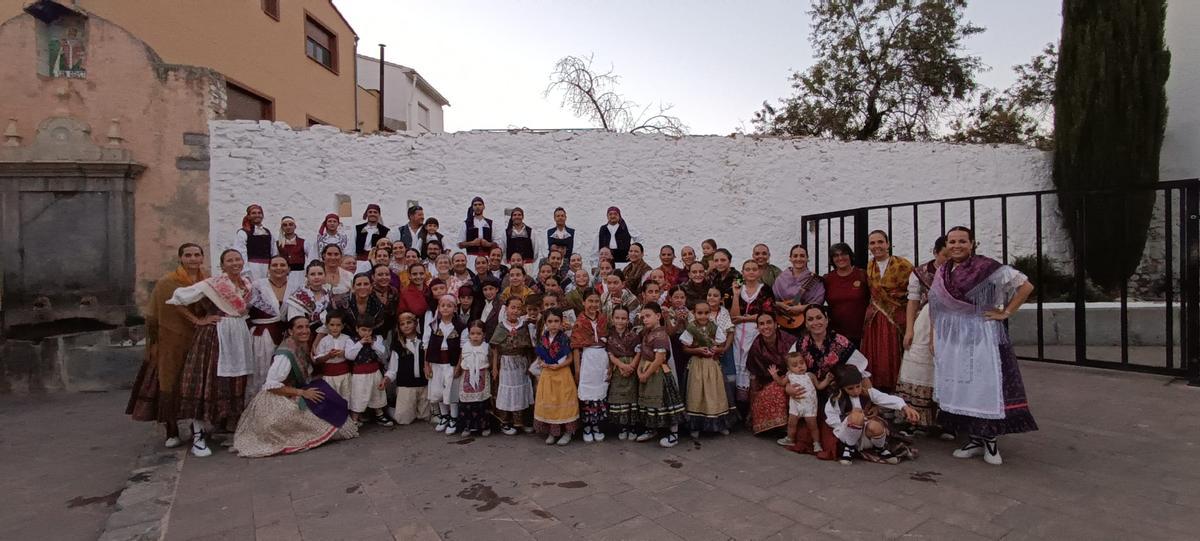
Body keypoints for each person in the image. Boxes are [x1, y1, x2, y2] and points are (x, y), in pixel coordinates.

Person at [933, 226, 1037, 465]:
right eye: (952, 242)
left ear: (972, 244)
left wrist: (1006, 312)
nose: (956, 246)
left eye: (962, 241)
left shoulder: (986, 267)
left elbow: (1026, 286)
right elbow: (938, 306)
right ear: (946, 245)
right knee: (964, 385)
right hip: (954, 337)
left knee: (983, 385)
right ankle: (974, 439)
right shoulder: (944, 270)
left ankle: (990, 441)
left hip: (980, 333)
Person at [168, 249, 255, 457]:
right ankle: (198, 436)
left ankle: (227, 429)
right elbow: (178, 299)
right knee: (208, 383)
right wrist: (199, 320)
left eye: (237, 259)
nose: (235, 263)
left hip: (238, 335)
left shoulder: (246, 284)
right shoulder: (213, 284)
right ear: (222, 265)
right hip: (216, 336)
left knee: (234, 382)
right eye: (229, 260)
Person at [231, 315, 358, 457]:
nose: (305, 331)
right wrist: (302, 393)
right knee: (322, 416)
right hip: (278, 398)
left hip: (294, 390)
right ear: (290, 331)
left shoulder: (300, 344)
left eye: (307, 327)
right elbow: (272, 386)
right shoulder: (285, 354)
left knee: (327, 398)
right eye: (299, 327)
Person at [126, 243, 207, 448]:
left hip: (199, 339)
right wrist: (153, 344)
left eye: (196, 255)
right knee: (169, 383)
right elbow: (153, 315)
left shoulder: (207, 281)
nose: (193, 259)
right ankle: (171, 429)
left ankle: (197, 428)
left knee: (196, 384)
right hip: (171, 340)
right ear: (180, 258)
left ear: (202, 258)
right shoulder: (167, 283)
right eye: (188, 255)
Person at [793, 304, 873, 460]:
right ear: (806, 323)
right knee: (804, 436)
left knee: (832, 442)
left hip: (836, 398)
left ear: (827, 320)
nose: (815, 322)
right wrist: (790, 388)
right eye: (810, 319)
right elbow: (791, 370)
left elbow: (862, 371)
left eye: (819, 318)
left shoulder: (841, 342)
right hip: (812, 397)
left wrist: (872, 402)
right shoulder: (800, 344)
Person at [897, 236, 951, 437]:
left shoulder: (960, 272)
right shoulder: (921, 273)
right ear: (935, 252)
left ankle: (946, 421)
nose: (948, 259)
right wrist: (909, 329)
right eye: (945, 255)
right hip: (925, 323)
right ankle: (916, 420)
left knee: (947, 369)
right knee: (918, 368)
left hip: (951, 324)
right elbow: (912, 301)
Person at [826, 365, 919, 465]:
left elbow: (884, 398)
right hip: (847, 433)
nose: (856, 391)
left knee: (876, 426)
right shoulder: (836, 399)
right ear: (842, 388)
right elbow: (831, 418)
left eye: (858, 386)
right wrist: (849, 417)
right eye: (850, 388)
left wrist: (904, 407)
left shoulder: (867, 393)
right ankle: (849, 448)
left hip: (865, 434)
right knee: (857, 416)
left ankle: (880, 448)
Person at [861, 230, 914, 392]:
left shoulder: (903, 265)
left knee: (893, 354)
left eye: (880, 242)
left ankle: (896, 391)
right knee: (876, 355)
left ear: (888, 244)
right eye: (872, 243)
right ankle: (876, 392)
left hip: (896, 317)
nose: (876, 246)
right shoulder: (869, 266)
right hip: (874, 319)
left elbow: (914, 292)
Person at [679, 300, 737, 439]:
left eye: (706, 313)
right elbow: (685, 348)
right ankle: (695, 425)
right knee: (696, 393)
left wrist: (717, 349)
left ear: (710, 313)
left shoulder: (714, 327)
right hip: (697, 365)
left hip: (712, 364)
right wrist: (697, 350)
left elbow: (721, 345)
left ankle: (720, 424)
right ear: (694, 313)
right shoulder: (691, 328)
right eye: (700, 313)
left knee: (715, 392)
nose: (703, 316)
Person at [633, 303, 686, 447]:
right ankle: (652, 429)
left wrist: (645, 374)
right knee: (650, 402)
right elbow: (643, 354)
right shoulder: (647, 333)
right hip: (647, 371)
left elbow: (659, 359)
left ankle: (674, 434)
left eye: (648, 316)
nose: (645, 319)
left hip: (660, 374)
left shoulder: (661, 335)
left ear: (658, 316)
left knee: (667, 403)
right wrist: (639, 371)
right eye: (643, 317)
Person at [245, 256, 290, 405]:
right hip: (262, 336)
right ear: (269, 268)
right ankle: (258, 406)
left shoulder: (294, 287)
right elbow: (243, 308)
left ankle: (279, 408)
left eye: (282, 265)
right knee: (262, 371)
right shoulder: (257, 286)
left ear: (288, 268)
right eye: (275, 265)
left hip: (284, 335)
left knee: (281, 373)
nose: (279, 268)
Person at [731, 260, 775, 405]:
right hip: (738, 335)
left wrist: (745, 318)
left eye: (754, 269)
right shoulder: (738, 289)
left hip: (757, 332)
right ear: (742, 272)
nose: (751, 272)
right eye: (747, 269)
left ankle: (754, 408)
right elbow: (734, 317)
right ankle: (740, 407)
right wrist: (736, 295)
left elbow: (768, 314)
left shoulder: (765, 289)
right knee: (738, 367)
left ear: (759, 272)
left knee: (753, 368)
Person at [490, 297, 535, 435]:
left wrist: (529, 364)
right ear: (506, 309)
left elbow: (529, 347)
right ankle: (505, 422)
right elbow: (495, 348)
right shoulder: (501, 327)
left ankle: (519, 422)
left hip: (521, 363)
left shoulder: (524, 326)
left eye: (518, 308)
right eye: (512, 307)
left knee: (521, 391)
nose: (515, 311)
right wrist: (495, 367)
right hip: (506, 363)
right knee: (507, 391)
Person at [533, 308, 579, 445]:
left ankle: (568, 433)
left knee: (563, 401)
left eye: (556, 321)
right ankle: (553, 432)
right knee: (550, 402)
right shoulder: (542, 339)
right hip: (547, 374)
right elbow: (540, 357)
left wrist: (559, 365)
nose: (553, 324)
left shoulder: (564, 339)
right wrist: (542, 363)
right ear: (545, 323)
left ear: (561, 322)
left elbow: (570, 358)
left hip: (563, 374)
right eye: (550, 321)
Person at [770, 352, 832, 450]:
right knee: (791, 424)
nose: (800, 366)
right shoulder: (789, 376)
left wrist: (827, 380)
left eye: (802, 363)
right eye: (795, 365)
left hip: (809, 406)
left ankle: (816, 443)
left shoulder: (810, 375)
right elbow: (781, 382)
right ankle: (790, 439)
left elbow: (819, 386)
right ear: (789, 369)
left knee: (813, 426)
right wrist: (774, 375)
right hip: (795, 405)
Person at [745, 312, 794, 435]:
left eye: (769, 322)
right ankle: (775, 426)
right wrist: (752, 405)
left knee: (779, 390)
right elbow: (754, 375)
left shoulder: (788, 340)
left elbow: (798, 362)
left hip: (792, 377)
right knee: (765, 396)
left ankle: (789, 426)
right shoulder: (756, 346)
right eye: (761, 324)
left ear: (776, 324)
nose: (765, 326)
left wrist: (787, 379)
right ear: (757, 327)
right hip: (768, 383)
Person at [424, 294, 466, 435]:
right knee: (438, 391)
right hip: (436, 362)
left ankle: (454, 418)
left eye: (449, 305)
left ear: (455, 308)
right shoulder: (433, 325)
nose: (446, 308)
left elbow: (463, 348)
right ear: (439, 308)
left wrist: (459, 366)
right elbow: (426, 345)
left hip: (451, 363)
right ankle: (444, 416)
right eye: (443, 305)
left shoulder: (460, 327)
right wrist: (426, 364)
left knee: (451, 391)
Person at [571, 289, 609, 443]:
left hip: (602, 359)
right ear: (583, 303)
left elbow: (608, 342)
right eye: (590, 301)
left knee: (600, 395)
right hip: (587, 360)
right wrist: (577, 369)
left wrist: (610, 366)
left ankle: (597, 426)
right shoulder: (579, 322)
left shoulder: (604, 320)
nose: (593, 304)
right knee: (587, 395)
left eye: (596, 301)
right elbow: (575, 347)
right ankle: (587, 426)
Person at [344, 315, 393, 427]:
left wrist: (373, 344)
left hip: (375, 372)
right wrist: (360, 343)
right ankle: (354, 418)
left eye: (369, 330)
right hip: (359, 374)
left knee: (377, 394)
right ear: (357, 329)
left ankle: (379, 415)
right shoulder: (351, 340)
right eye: (363, 330)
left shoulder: (377, 339)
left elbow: (384, 354)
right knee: (359, 396)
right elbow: (349, 356)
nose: (367, 333)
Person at [384, 312, 429, 425]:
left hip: (424, 385)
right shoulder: (398, 345)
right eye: (402, 324)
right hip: (406, 386)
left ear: (415, 323)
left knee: (426, 416)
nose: (406, 326)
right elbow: (393, 368)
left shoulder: (424, 341)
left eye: (409, 322)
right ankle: (390, 409)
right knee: (403, 419)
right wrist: (387, 379)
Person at [772, 245, 827, 337]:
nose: (798, 259)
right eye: (795, 256)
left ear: (807, 259)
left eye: (802, 256)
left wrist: (802, 308)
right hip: (784, 321)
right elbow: (772, 301)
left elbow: (818, 303)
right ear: (790, 258)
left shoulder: (814, 280)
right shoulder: (781, 278)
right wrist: (781, 304)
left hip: (808, 324)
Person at [605, 306, 640, 441]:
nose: (620, 321)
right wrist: (621, 365)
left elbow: (638, 352)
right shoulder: (609, 336)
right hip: (617, 368)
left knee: (632, 398)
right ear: (612, 319)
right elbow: (610, 354)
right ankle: (623, 427)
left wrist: (631, 366)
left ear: (628, 320)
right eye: (617, 318)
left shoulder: (634, 335)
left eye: (623, 318)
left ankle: (632, 427)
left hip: (632, 368)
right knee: (620, 400)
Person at [823, 243, 870, 343]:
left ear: (850, 256)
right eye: (836, 255)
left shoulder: (862, 275)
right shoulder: (827, 279)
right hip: (836, 335)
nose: (840, 258)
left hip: (862, 334)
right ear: (832, 259)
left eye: (844, 254)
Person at [455, 320, 492, 437]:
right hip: (467, 377)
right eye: (472, 333)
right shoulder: (465, 346)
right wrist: (457, 369)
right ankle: (467, 427)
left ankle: (484, 426)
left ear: (484, 334)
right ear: (469, 334)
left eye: (478, 334)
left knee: (481, 403)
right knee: (466, 404)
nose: (475, 336)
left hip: (482, 376)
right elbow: (461, 358)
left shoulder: (486, 347)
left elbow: (491, 360)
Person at [313, 311, 354, 407]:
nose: (335, 328)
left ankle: (346, 414)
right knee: (331, 397)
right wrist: (328, 356)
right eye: (332, 325)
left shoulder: (347, 338)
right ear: (327, 325)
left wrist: (344, 353)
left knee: (346, 396)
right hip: (329, 375)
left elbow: (352, 354)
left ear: (343, 326)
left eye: (338, 325)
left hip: (344, 374)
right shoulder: (324, 341)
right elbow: (318, 359)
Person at [284, 262, 331, 340]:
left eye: (320, 274)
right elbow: (294, 322)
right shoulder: (298, 296)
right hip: (304, 335)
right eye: (312, 274)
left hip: (327, 335)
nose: (316, 277)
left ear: (325, 275)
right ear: (307, 276)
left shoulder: (329, 294)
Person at [232, 204, 276, 280]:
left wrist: (273, 267)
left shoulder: (267, 232)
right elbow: (241, 253)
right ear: (248, 216)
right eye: (254, 213)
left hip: (267, 268)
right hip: (251, 268)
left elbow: (274, 251)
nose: (257, 215)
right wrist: (245, 272)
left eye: (259, 213)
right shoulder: (243, 233)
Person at [458, 196, 497, 268]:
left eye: (480, 204)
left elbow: (497, 243)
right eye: (475, 205)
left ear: (483, 207)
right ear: (472, 207)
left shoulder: (490, 223)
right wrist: (472, 243)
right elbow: (460, 244)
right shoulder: (466, 223)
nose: (477, 207)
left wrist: (488, 244)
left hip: (487, 258)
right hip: (471, 259)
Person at [276, 216, 311, 294]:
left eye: (290, 224)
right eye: (285, 225)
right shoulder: (278, 244)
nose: (288, 227)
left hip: (299, 275)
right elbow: (275, 259)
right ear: (282, 228)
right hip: (284, 275)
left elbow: (311, 258)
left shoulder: (303, 242)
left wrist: (308, 274)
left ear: (295, 226)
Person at [353, 204, 390, 273]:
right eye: (370, 212)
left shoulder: (385, 231)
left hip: (376, 261)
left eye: (375, 212)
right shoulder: (357, 228)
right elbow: (352, 246)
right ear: (367, 214)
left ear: (379, 214)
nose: (372, 214)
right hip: (359, 261)